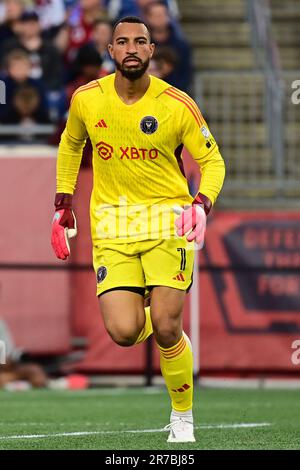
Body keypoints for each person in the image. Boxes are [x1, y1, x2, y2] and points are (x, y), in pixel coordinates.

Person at [51, 16, 225, 443]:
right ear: (110, 51)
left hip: (168, 223)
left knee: (166, 325)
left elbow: (213, 161)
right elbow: (71, 144)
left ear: (152, 51)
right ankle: (166, 325)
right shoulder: (87, 100)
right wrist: (62, 203)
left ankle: (182, 417)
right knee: (124, 332)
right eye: (122, 41)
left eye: (140, 41)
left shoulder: (177, 104)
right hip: (112, 228)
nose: (131, 48)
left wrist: (201, 204)